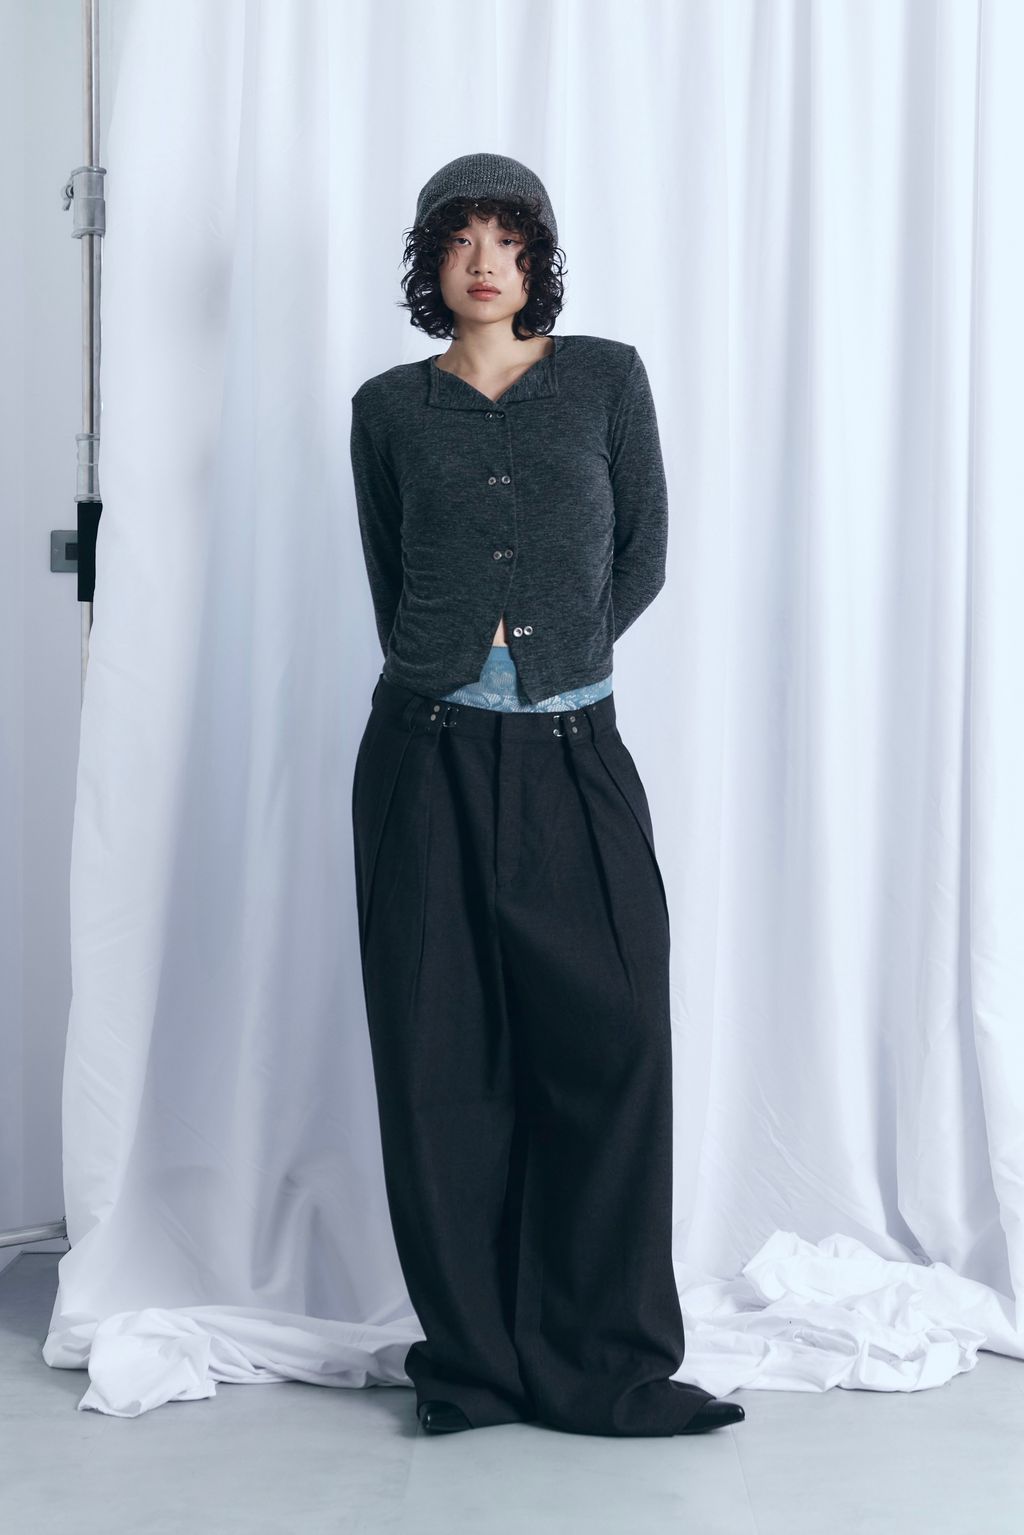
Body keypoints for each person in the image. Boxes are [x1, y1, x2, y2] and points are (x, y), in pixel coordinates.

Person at [349, 152, 745, 1438]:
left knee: (612, 1039)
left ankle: (605, 1360)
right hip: (423, 754)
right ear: (430, 260)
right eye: (460, 237)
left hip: (575, 750)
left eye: (508, 238)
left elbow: (644, 550)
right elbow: (392, 577)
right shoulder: (387, 407)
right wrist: (459, 662)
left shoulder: (605, 379)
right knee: (439, 1061)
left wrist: (555, 652)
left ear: (537, 258)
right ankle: (473, 1362)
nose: (485, 261)